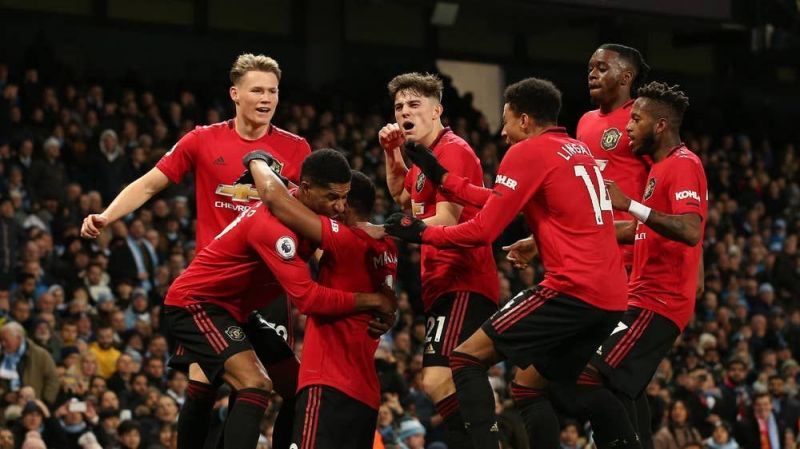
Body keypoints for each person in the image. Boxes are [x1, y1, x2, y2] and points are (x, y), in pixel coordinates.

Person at [80, 53, 310, 449]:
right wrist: (107, 215)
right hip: (214, 287)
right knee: (204, 385)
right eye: (257, 90)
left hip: (268, 291)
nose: (266, 98)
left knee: (273, 387)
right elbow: (151, 184)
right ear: (235, 94)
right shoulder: (203, 139)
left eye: (273, 91)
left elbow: (314, 216)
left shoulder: (296, 148)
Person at [385, 77, 628, 449]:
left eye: (507, 121)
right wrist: (442, 177)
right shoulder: (576, 150)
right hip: (611, 298)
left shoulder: (527, 152)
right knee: (535, 387)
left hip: (571, 290)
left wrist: (419, 233)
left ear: (525, 120)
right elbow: (499, 198)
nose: (502, 132)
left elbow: (483, 230)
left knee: (466, 358)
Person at [163, 149, 396, 449]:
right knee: (255, 384)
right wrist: (374, 301)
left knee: (294, 386)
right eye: (332, 197)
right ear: (308, 189)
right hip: (196, 303)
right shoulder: (275, 228)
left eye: (344, 198)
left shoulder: (306, 211)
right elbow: (309, 300)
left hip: (239, 311)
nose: (340, 207)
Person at [559, 81, 706, 449]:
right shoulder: (660, 168)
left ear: (660, 125)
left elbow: (690, 230)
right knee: (625, 389)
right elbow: (638, 229)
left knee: (588, 376)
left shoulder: (685, 165)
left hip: (659, 300)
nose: (627, 127)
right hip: (641, 297)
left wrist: (630, 202)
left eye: (636, 119)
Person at [243, 154, 397, 449]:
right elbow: (387, 302)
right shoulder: (385, 246)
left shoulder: (347, 239)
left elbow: (278, 201)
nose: (334, 207)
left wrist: (256, 161)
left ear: (347, 204)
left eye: (338, 200)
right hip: (365, 396)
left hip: (328, 382)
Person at [379, 72, 498, 448]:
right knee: (445, 382)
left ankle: (484, 441)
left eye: (414, 105)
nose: (404, 112)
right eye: (399, 107)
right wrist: (391, 152)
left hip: (464, 278)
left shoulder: (453, 151)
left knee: (436, 380)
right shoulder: (420, 155)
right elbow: (401, 195)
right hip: (441, 283)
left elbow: (447, 219)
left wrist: (388, 232)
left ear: (436, 110)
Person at [0, 322, 60, 405]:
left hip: (34, 409)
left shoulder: (40, 355)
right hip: (5, 409)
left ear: (18, 338)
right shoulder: (1, 356)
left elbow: (52, 380)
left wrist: (44, 403)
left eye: (6, 340)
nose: (3, 344)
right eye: (1, 340)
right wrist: (4, 396)